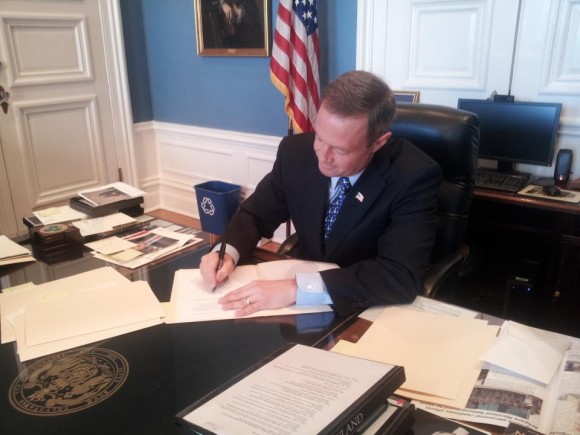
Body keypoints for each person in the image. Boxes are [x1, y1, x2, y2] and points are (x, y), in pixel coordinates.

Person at [200, 70, 442, 317]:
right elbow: (255, 215)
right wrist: (226, 252)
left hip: (366, 307)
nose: (322, 156)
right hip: (299, 306)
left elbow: (398, 274)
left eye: (340, 149)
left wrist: (297, 288)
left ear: (378, 143)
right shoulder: (295, 153)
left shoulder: (413, 176)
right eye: (320, 137)